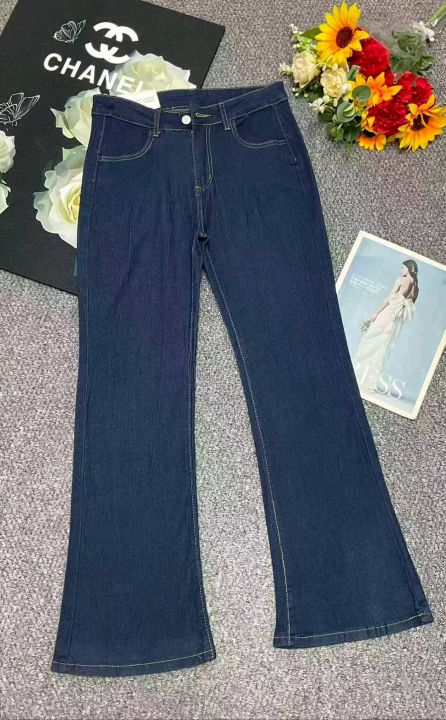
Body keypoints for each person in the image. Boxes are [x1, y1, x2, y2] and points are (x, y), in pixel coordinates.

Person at [354, 259, 419, 392]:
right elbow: (409, 304)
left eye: (402, 268)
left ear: (408, 269)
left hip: (388, 314)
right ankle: (368, 382)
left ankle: (357, 374)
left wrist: (375, 313)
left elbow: (388, 299)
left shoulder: (401, 280)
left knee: (369, 341)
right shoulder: (416, 286)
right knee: (383, 350)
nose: (401, 270)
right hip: (397, 321)